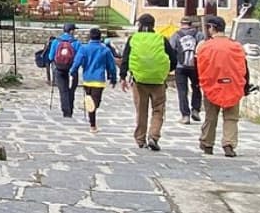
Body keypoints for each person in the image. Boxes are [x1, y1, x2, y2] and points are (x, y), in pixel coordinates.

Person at [119, 14, 177, 150]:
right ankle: (154, 135)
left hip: (139, 80)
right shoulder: (161, 39)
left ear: (139, 25)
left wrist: (122, 77)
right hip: (158, 80)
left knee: (141, 110)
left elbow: (125, 59)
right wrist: (165, 71)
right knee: (158, 110)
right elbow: (173, 59)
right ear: (153, 25)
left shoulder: (133, 39)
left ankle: (140, 139)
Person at [196, 15, 249, 156]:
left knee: (210, 116)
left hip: (212, 85)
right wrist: (245, 86)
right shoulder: (236, 47)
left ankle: (207, 143)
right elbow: (244, 67)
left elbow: (200, 66)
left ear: (212, 28)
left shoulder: (205, 47)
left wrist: (198, 83)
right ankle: (229, 144)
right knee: (231, 118)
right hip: (232, 86)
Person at [70, 27, 117, 133]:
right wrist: (113, 78)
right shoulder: (105, 49)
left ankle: (89, 108)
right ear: (100, 37)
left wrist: (73, 71)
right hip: (98, 80)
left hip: (87, 79)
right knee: (95, 103)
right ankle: (93, 125)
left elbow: (77, 61)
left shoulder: (84, 48)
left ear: (90, 36)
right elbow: (111, 66)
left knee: (92, 101)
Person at [42, 23, 81, 119]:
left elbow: (51, 57)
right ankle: (70, 109)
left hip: (59, 69)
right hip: (72, 69)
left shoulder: (56, 41)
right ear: (71, 31)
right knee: (71, 90)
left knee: (63, 91)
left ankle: (66, 112)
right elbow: (80, 58)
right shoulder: (76, 43)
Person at [170, 16, 203, 125]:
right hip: (195, 66)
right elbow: (203, 50)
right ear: (191, 24)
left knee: (182, 91)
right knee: (196, 88)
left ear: (181, 24)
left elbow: (171, 50)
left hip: (180, 66)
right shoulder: (198, 35)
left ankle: (185, 115)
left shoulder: (176, 35)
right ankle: (196, 110)